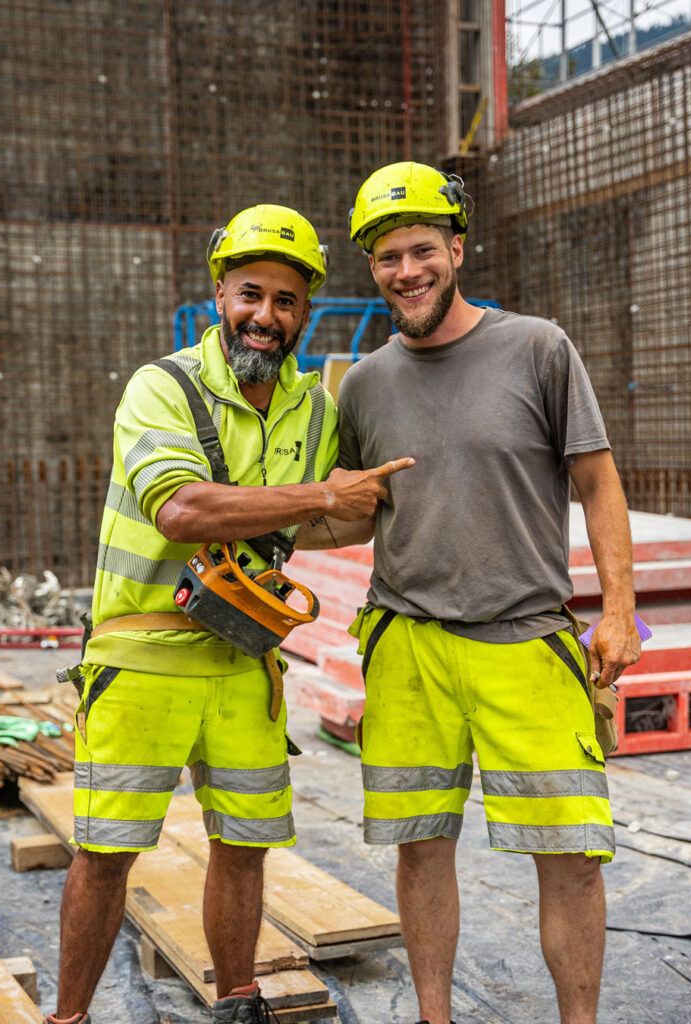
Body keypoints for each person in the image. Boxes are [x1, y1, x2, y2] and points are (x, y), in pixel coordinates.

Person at [42, 203, 413, 1024]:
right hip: (141, 659)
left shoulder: (313, 411)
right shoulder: (161, 387)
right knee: (106, 852)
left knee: (245, 848)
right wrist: (325, 494)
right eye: (252, 293)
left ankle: (238, 1001)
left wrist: (407, 494)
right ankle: (67, 1017)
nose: (266, 316)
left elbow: (322, 521)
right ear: (219, 293)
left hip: (246, 662)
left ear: (304, 312)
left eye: (286, 302)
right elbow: (183, 512)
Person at [331, 161, 641, 1024]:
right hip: (406, 646)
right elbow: (352, 515)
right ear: (373, 266)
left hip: (525, 642)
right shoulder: (361, 384)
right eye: (388, 256)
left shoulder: (537, 347)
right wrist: (264, 515)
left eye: (422, 249)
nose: (407, 271)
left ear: (456, 249)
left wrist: (618, 611)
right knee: (420, 847)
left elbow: (596, 480)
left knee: (574, 855)